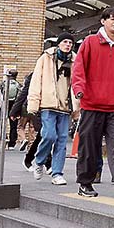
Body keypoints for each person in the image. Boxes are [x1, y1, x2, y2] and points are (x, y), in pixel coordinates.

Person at [72, 6, 114, 200]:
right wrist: (79, 89)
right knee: (89, 146)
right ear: (103, 21)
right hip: (92, 105)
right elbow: (79, 69)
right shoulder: (90, 42)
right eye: (111, 18)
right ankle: (85, 183)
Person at [27, 32, 76, 186]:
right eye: (65, 42)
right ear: (59, 43)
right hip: (48, 104)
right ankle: (39, 161)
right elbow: (36, 80)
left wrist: (78, 107)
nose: (68, 45)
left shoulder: (76, 60)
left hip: (66, 106)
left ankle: (57, 173)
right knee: (49, 136)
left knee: (62, 140)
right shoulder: (46, 58)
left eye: (70, 42)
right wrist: (33, 103)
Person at [4, 70, 22, 149]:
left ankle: (4, 139)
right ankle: (12, 143)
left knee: (2, 124)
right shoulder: (18, 84)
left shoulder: (4, 83)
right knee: (13, 125)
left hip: (5, 104)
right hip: (14, 105)